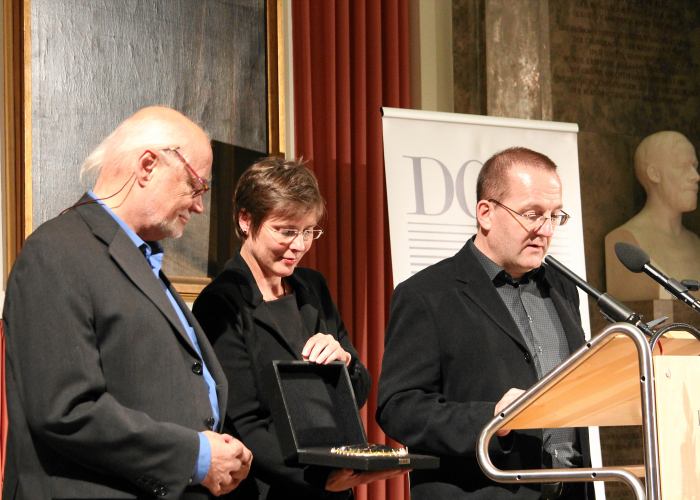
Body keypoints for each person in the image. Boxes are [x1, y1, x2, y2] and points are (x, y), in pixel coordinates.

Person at [2, 106, 252, 499]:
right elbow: (65, 410)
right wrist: (196, 456)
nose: (200, 205)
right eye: (196, 185)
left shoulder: (138, 257)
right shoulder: (55, 252)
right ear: (148, 165)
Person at [377, 147, 590, 499]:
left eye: (555, 216)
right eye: (532, 214)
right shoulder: (428, 294)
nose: (545, 230)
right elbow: (399, 407)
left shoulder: (563, 288)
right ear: (486, 213)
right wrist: (491, 418)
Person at [192, 157, 404, 499]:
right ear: (246, 220)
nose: (300, 245)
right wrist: (318, 479)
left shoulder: (313, 287)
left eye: (309, 231)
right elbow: (243, 422)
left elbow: (358, 392)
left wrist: (345, 363)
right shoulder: (220, 303)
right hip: (269, 489)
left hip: (332, 484)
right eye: (287, 231)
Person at [605, 131, 700, 301]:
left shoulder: (695, 243)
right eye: (683, 166)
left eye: (695, 166)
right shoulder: (624, 240)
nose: (695, 176)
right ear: (654, 174)